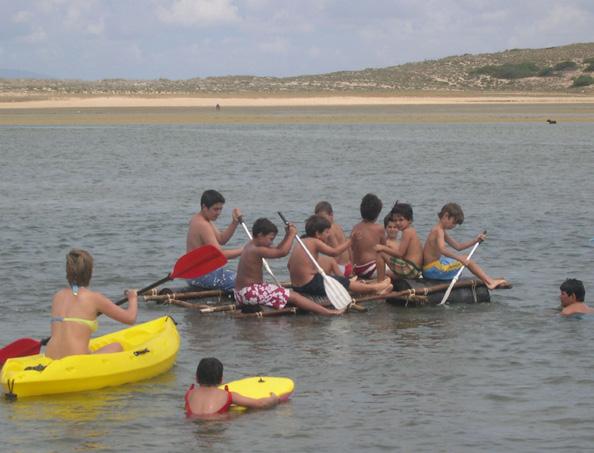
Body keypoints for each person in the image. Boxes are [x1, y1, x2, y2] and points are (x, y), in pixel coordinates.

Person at [235, 218, 343, 316]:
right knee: (295, 297)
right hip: (249, 294)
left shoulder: (251, 245)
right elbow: (282, 252)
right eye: (270, 239)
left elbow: (277, 248)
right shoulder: (257, 249)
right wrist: (292, 235)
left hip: (242, 294)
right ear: (260, 235)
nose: (271, 243)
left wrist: (287, 235)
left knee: (287, 293)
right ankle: (328, 312)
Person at [45, 249, 138, 360]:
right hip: (76, 361)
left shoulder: (58, 296)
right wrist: (132, 298)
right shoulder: (94, 298)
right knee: (117, 346)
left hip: (50, 357)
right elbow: (130, 318)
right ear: (90, 272)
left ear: (68, 272)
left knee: (86, 347)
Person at [288, 215, 392, 298]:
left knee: (335, 279)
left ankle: (368, 287)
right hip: (308, 285)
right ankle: (375, 288)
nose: (328, 235)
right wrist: (351, 240)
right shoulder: (315, 242)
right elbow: (335, 252)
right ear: (317, 234)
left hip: (297, 286)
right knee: (344, 282)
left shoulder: (301, 242)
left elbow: (289, 265)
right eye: (327, 232)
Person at [422, 203, 508, 289]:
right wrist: (460, 258)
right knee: (467, 260)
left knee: (465, 258)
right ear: (446, 215)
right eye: (453, 223)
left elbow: (458, 246)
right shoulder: (438, 230)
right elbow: (443, 250)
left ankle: (488, 280)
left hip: (431, 268)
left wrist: (475, 241)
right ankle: (490, 282)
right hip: (432, 270)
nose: (454, 226)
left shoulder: (441, 230)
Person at [186, 190, 244, 292]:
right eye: (215, 209)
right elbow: (219, 254)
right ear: (204, 207)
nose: (218, 213)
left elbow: (221, 239)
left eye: (220, 209)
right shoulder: (202, 224)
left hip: (200, 273)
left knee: (243, 276)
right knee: (244, 281)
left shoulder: (204, 219)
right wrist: (243, 250)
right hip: (199, 275)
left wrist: (234, 222)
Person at [185, 357, 280, 417]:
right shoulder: (228, 396)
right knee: (242, 414)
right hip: (215, 425)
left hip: (193, 425)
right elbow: (261, 404)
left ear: (196, 378)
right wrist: (275, 398)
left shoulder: (189, 394)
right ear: (221, 380)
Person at [376, 203, 423, 280]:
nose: (398, 223)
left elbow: (400, 254)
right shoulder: (412, 231)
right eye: (395, 220)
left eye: (401, 220)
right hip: (416, 270)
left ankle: (380, 283)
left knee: (380, 254)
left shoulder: (407, 232)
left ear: (410, 220)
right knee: (388, 273)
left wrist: (383, 248)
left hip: (409, 269)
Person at [351, 193, 386, 279]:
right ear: (377, 213)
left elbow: (352, 249)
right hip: (370, 267)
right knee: (395, 272)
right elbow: (384, 249)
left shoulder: (355, 227)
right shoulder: (379, 229)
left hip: (357, 268)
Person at [314, 201, 352, 277]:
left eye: (323, 218)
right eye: (318, 219)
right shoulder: (336, 226)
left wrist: (329, 269)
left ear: (331, 215)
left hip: (340, 269)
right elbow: (348, 248)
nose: (321, 221)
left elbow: (337, 253)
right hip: (348, 267)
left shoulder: (329, 231)